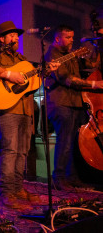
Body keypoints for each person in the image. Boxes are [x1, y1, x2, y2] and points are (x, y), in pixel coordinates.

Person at [0, 21, 59, 209]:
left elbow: (32, 83)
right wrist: (8, 75)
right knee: (10, 150)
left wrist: (46, 71)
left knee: (22, 151)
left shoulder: (21, 59)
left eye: (16, 35)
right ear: (2, 39)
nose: (16, 38)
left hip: (26, 109)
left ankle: (17, 188)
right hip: (7, 110)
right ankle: (7, 191)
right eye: (12, 35)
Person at [45, 25, 103, 190]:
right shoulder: (53, 55)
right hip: (61, 103)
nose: (72, 40)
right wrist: (94, 84)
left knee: (72, 142)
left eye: (72, 37)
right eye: (68, 37)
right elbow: (67, 79)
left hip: (74, 103)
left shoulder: (71, 54)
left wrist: (97, 43)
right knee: (64, 141)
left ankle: (71, 177)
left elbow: (92, 63)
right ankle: (59, 178)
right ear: (57, 38)